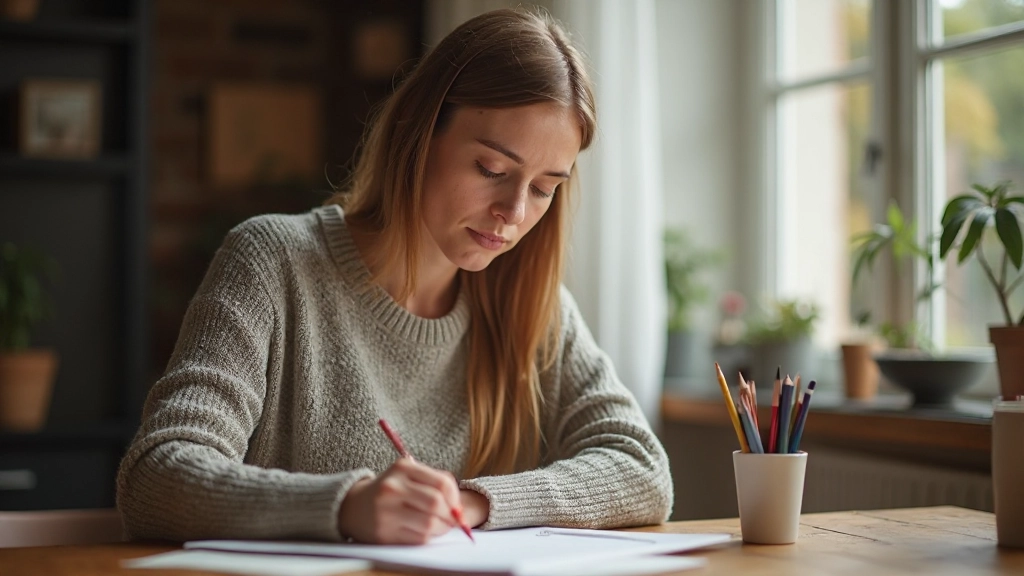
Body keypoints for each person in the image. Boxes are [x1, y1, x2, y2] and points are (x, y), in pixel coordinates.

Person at [117, 8, 673, 545]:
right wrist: (346, 506)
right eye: (492, 170)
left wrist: (473, 503)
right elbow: (157, 476)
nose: (515, 212)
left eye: (545, 187)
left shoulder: (531, 301)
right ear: (418, 132)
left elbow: (642, 469)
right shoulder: (274, 262)